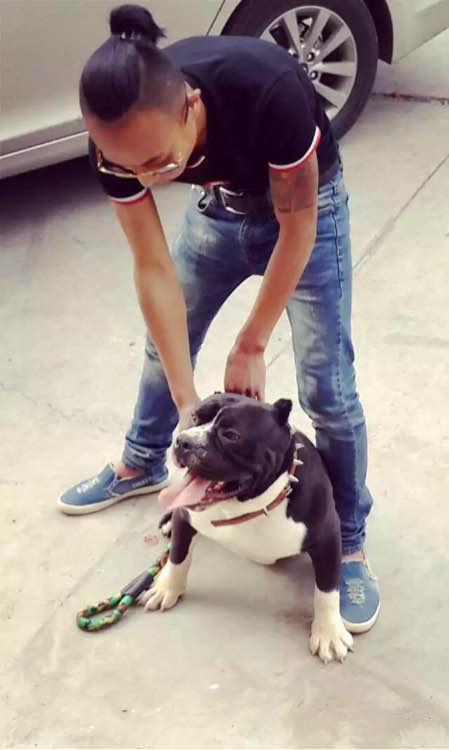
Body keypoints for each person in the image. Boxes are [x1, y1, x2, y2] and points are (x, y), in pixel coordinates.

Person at [58, 4, 379, 633]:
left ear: (191, 106)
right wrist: (188, 406)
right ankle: (141, 462)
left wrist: (252, 339)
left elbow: (298, 225)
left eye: (158, 162)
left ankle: (348, 539)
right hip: (219, 209)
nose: (145, 176)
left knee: (328, 389)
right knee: (164, 346)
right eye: (128, 167)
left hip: (308, 207)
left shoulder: (268, 88)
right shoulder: (115, 150)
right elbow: (152, 268)